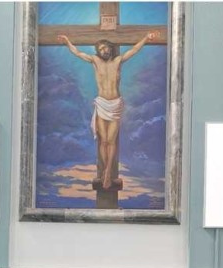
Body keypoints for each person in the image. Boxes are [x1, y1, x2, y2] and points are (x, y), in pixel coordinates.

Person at [58, 32, 157, 189]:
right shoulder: (95, 61)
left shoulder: (118, 61)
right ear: (98, 51)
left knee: (111, 141)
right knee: (103, 141)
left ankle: (108, 171)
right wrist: (67, 41)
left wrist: (146, 38)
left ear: (110, 48)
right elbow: (77, 53)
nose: (104, 50)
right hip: (102, 104)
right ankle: (105, 172)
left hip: (115, 105)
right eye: (101, 49)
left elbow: (134, 50)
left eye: (106, 48)